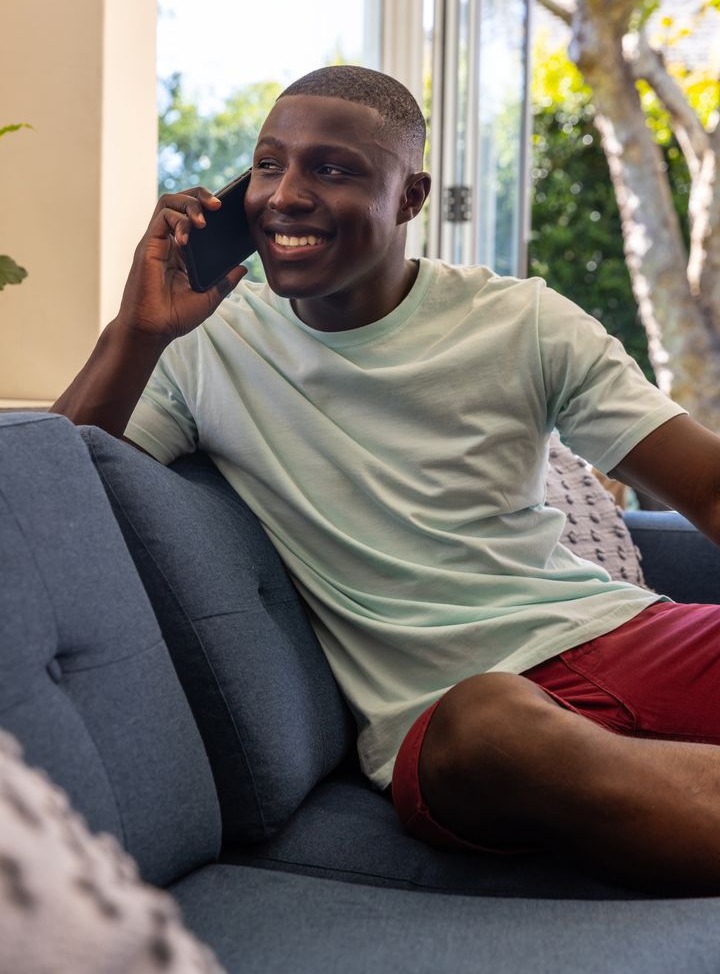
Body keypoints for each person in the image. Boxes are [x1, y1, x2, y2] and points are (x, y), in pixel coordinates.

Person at [53, 65, 720, 895]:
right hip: (455, 717)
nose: (283, 195)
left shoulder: (525, 321)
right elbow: (51, 497)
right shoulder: (201, 345)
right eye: (268, 164)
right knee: (494, 724)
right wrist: (136, 332)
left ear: (411, 197)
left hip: (622, 635)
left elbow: (709, 489)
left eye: (332, 169)